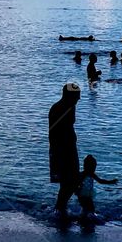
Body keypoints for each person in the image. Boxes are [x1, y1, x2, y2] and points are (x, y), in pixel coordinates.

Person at [48, 83, 81, 215]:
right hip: (62, 149)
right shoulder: (59, 108)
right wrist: (57, 152)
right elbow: (53, 133)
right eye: (77, 96)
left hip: (69, 148)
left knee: (70, 181)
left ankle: (61, 208)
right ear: (69, 95)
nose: (79, 99)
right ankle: (60, 208)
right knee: (69, 181)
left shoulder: (70, 107)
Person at [76, 154, 118, 222]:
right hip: (82, 194)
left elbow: (100, 181)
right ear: (86, 166)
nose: (94, 169)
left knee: (89, 208)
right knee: (88, 207)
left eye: (95, 167)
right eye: (93, 167)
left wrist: (110, 182)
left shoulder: (92, 174)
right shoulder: (83, 174)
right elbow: (77, 183)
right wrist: (76, 190)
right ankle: (84, 218)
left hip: (88, 194)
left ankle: (85, 217)